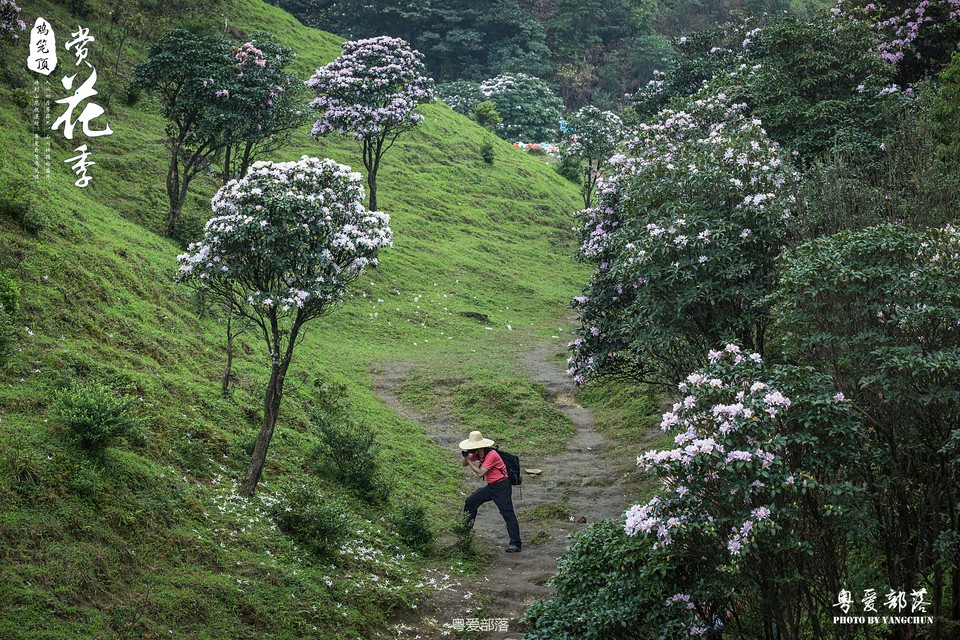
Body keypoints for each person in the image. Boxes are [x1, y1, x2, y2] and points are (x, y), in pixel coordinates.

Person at [459, 430, 522, 553]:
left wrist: (470, 460)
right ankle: (465, 529)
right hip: (492, 486)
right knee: (471, 501)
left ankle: (516, 543)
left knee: (507, 513)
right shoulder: (478, 453)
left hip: (502, 486)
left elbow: (480, 473)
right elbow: (464, 464)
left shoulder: (492, 454)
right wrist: (466, 457)